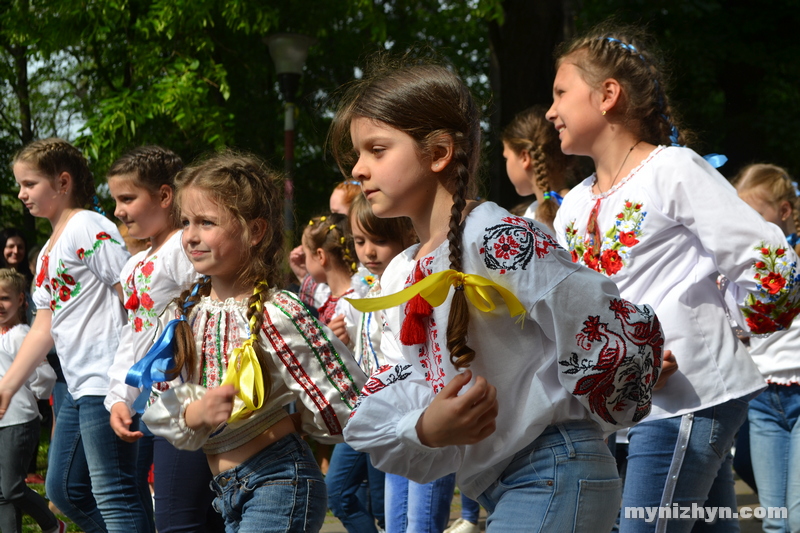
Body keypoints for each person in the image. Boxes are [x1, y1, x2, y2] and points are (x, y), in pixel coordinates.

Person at [329, 58, 669, 532]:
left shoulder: (497, 238)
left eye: (377, 150)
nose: (359, 170)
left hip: (555, 468)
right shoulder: (402, 275)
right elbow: (385, 400)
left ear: (439, 151)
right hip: (508, 482)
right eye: (357, 155)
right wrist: (426, 428)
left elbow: (592, 312)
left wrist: (628, 368)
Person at [548, 25, 800, 532]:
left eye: (559, 93)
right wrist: (621, 363)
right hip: (632, 409)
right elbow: (576, 311)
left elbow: (762, 251)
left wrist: (733, 327)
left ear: (608, 95)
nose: (550, 111)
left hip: (690, 395)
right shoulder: (572, 207)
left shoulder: (673, 170)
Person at [134, 152, 366, 532]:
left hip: (279, 481)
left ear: (254, 231)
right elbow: (160, 402)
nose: (191, 235)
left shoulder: (277, 312)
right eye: (187, 222)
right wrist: (197, 413)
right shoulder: (186, 312)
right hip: (226, 490)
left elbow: (345, 399)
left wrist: (296, 420)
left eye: (207, 222)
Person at [0, 138, 152, 532]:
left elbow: (133, 294)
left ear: (62, 182)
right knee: (64, 489)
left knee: (115, 494)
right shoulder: (51, 245)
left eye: (30, 184)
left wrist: (133, 374)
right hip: (76, 385)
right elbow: (44, 326)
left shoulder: (87, 226)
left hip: (107, 379)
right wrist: (7, 386)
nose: (21, 194)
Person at [102, 146, 224, 533]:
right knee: (196, 519)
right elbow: (134, 334)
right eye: (115, 200)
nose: (119, 211)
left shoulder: (182, 249)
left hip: (191, 399)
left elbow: (213, 312)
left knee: (178, 521)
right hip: (160, 402)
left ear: (165, 196)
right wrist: (121, 396)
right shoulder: (135, 262)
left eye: (128, 198)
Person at [326, 193, 416, 533]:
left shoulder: (409, 279)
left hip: (399, 404)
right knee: (339, 489)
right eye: (360, 241)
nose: (368, 251)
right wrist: (342, 335)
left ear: (404, 237)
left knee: (388, 503)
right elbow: (360, 339)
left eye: (380, 240)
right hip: (366, 403)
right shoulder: (363, 286)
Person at [733, 163, 800, 533]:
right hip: (762, 399)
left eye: (756, 215)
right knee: (775, 521)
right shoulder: (747, 263)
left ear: (784, 212)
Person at [0, 268, 63, 533]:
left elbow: (44, 375)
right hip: (4, 421)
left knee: (12, 489)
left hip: (19, 420)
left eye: (5, 298)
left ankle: (52, 524)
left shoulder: (22, 335)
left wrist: (29, 395)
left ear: (20, 301)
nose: (0, 304)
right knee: (3, 492)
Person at [501, 105, 578, 229]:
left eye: (506, 158)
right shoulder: (532, 212)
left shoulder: (575, 208)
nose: (506, 163)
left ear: (525, 158)